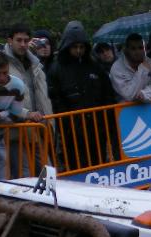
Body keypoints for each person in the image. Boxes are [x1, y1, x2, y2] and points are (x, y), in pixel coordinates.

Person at [48, 21, 117, 169]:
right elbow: (55, 98)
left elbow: (107, 93)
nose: (79, 50)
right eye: (75, 47)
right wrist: (65, 125)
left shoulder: (94, 66)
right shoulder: (57, 69)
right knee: (76, 166)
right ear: (67, 46)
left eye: (81, 47)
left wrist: (106, 120)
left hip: (97, 127)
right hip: (71, 129)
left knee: (99, 164)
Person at [0, 23, 52, 177]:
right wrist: (27, 114)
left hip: (37, 127)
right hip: (15, 130)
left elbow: (42, 95)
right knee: (24, 175)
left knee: (49, 173)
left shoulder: (34, 63)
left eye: (26, 40)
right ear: (9, 40)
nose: (23, 44)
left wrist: (48, 121)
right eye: (18, 40)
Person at [110, 32, 151, 102]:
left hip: (149, 107)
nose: (138, 52)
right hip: (125, 109)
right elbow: (128, 95)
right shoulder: (117, 68)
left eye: (140, 48)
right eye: (133, 48)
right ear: (126, 50)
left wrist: (144, 94)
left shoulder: (149, 62)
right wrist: (142, 69)